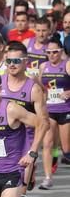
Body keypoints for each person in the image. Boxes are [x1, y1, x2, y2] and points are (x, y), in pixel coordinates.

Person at [0, 42, 49, 197]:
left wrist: (34, 151)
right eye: (8, 60)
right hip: (0, 147)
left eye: (16, 61)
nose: (12, 65)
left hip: (24, 147)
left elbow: (44, 122)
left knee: (18, 193)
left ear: (25, 62)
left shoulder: (33, 88)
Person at [38, 38, 70, 189]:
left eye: (55, 52)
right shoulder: (43, 66)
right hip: (49, 110)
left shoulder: (67, 64)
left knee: (66, 148)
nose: (52, 55)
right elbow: (39, 88)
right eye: (48, 52)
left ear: (61, 51)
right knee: (47, 144)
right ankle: (47, 178)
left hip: (65, 110)